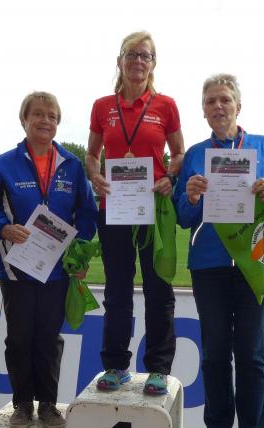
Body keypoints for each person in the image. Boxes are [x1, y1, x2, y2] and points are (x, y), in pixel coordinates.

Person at [174, 74, 264, 428]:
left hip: (256, 264)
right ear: (203, 110)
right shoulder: (196, 155)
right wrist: (191, 196)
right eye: (210, 101)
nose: (218, 106)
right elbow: (182, 216)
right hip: (208, 265)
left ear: (238, 106)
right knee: (213, 354)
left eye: (224, 99)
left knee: (251, 354)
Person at [0, 91, 97, 428]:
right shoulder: (5, 164)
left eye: (52, 116)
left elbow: (87, 214)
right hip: (16, 268)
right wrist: (3, 227)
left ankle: (47, 405)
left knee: (49, 339)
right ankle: (22, 404)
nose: (46, 121)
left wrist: (78, 256)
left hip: (57, 271)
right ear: (24, 120)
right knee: (19, 338)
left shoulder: (72, 165)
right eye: (38, 114)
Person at [86, 30, 185, 395]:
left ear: (153, 64)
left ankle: (158, 368)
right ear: (120, 61)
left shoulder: (166, 105)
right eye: (132, 54)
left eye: (145, 55)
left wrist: (170, 177)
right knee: (117, 291)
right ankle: (115, 366)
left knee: (159, 289)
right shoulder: (102, 106)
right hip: (114, 207)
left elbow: (179, 152)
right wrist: (95, 175)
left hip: (153, 208)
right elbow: (92, 154)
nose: (138, 61)